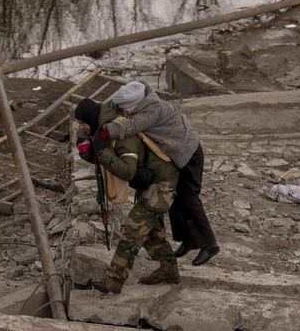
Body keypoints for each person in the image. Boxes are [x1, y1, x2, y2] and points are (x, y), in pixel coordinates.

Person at [103, 81, 220, 266]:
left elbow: (132, 126)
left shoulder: (152, 109)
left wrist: (106, 132)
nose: (124, 112)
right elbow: (113, 106)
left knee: (189, 198)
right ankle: (189, 240)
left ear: (135, 104)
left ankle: (209, 244)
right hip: (176, 154)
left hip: (188, 153)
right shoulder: (140, 98)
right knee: (175, 198)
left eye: (126, 109)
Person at [75, 98, 181, 294]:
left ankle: (113, 280)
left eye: (82, 124)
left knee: (132, 230)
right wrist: (86, 148)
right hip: (150, 183)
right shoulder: (104, 129)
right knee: (151, 232)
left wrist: (99, 148)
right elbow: (103, 155)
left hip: (163, 183)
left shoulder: (122, 132)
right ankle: (169, 269)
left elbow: (127, 171)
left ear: (91, 118)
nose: (80, 127)